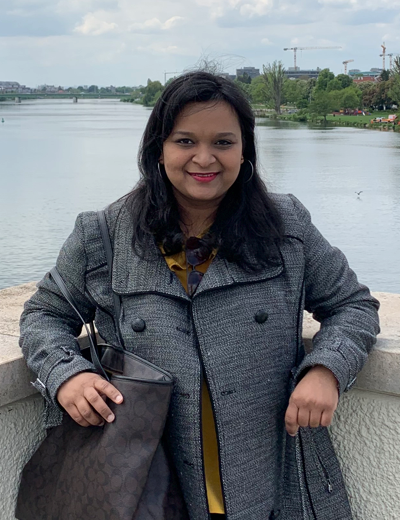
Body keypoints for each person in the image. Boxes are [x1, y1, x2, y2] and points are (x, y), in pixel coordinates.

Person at [20, 71, 380, 520]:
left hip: (276, 476)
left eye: (223, 143)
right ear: (159, 149)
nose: (204, 158)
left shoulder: (287, 227)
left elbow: (353, 305)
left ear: (245, 149)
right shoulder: (105, 235)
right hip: (152, 483)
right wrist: (66, 374)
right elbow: (45, 314)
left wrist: (326, 369)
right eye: (185, 141)